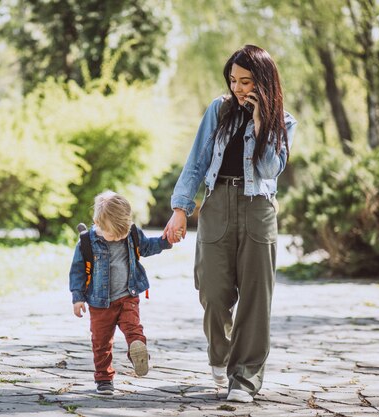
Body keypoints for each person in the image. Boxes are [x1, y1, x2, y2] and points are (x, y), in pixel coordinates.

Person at [163, 45, 297, 403]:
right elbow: (196, 161)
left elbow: (270, 169)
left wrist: (259, 121)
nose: (238, 88)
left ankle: (245, 380)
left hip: (258, 210)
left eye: (246, 81)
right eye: (233, 80)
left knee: (255, 298)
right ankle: (221, 357)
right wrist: (180, 208)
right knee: (212, 290)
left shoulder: (283, 120)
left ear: (264, 82)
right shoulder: (218, 109)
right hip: (217, 203)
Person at [69, 190, 173, 395]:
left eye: (122, 233)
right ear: (97, 222)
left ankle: (137, 350)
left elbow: (147, 246)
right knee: (101, 343)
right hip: (100, 304)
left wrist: (165, 241)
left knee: (134, 328)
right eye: (113, 234)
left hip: (128, 296)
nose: (118, 237)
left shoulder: (131, 234)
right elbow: (78, 271)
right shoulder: (87, 243)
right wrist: (78, 298)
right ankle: (104, 378)